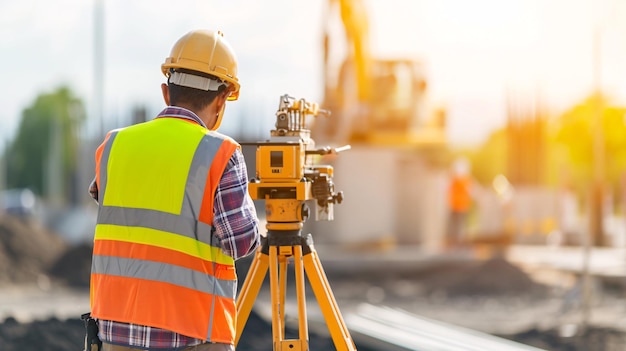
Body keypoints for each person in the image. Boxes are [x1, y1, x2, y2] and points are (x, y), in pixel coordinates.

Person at [87, 29, 260, 351]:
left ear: (166, 92)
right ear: (222, 99)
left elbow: (107, 198)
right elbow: (241, 241)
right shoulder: (221, 153)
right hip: (191, 332)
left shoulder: (113, 144)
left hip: (115, 328)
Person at [446, 157, 472, 248]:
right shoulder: (463, 180)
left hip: (458, 206)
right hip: (458, 206)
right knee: (458, 226)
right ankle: (456, 242)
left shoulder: (458, 180)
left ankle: (457, 243)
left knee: (458, 226)